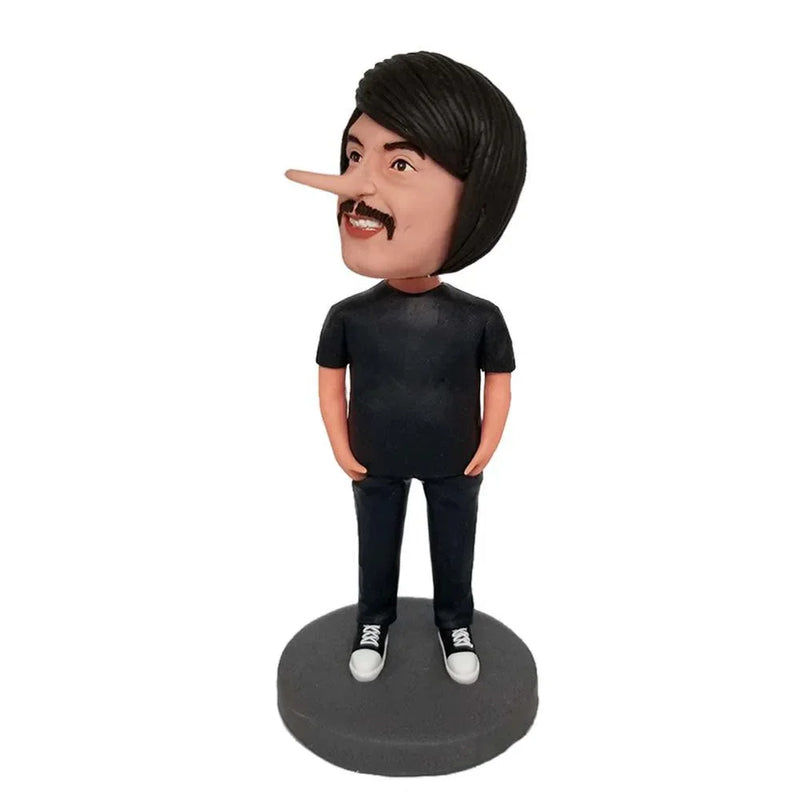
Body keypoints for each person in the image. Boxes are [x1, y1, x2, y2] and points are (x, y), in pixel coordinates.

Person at [285, 51, 526, 684]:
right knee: (375, 542)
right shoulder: (348, 315)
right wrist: (340, 444)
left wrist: (488, 443)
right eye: (353, 156)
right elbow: (329, 381)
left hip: (455, 456)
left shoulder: (479, 317)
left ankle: (455, 623)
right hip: (374, 455)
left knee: (455, 541)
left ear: (477, 197)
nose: (353, 187)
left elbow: (498, 382)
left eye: (399, 164)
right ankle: (374, 620)